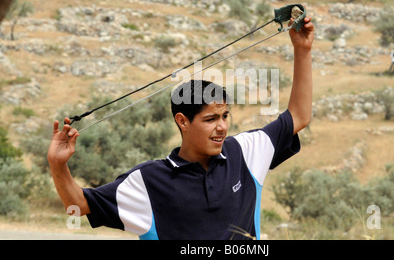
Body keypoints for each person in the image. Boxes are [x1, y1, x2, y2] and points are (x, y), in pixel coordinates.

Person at [47, 15, 314, 240]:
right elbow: (78, 205)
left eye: (225, 116)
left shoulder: (244, 151)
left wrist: (303, 50)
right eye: (211, 119)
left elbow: (299, 116)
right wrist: (58, 165)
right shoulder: (148, 181)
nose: (221, 127)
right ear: (182, 121)